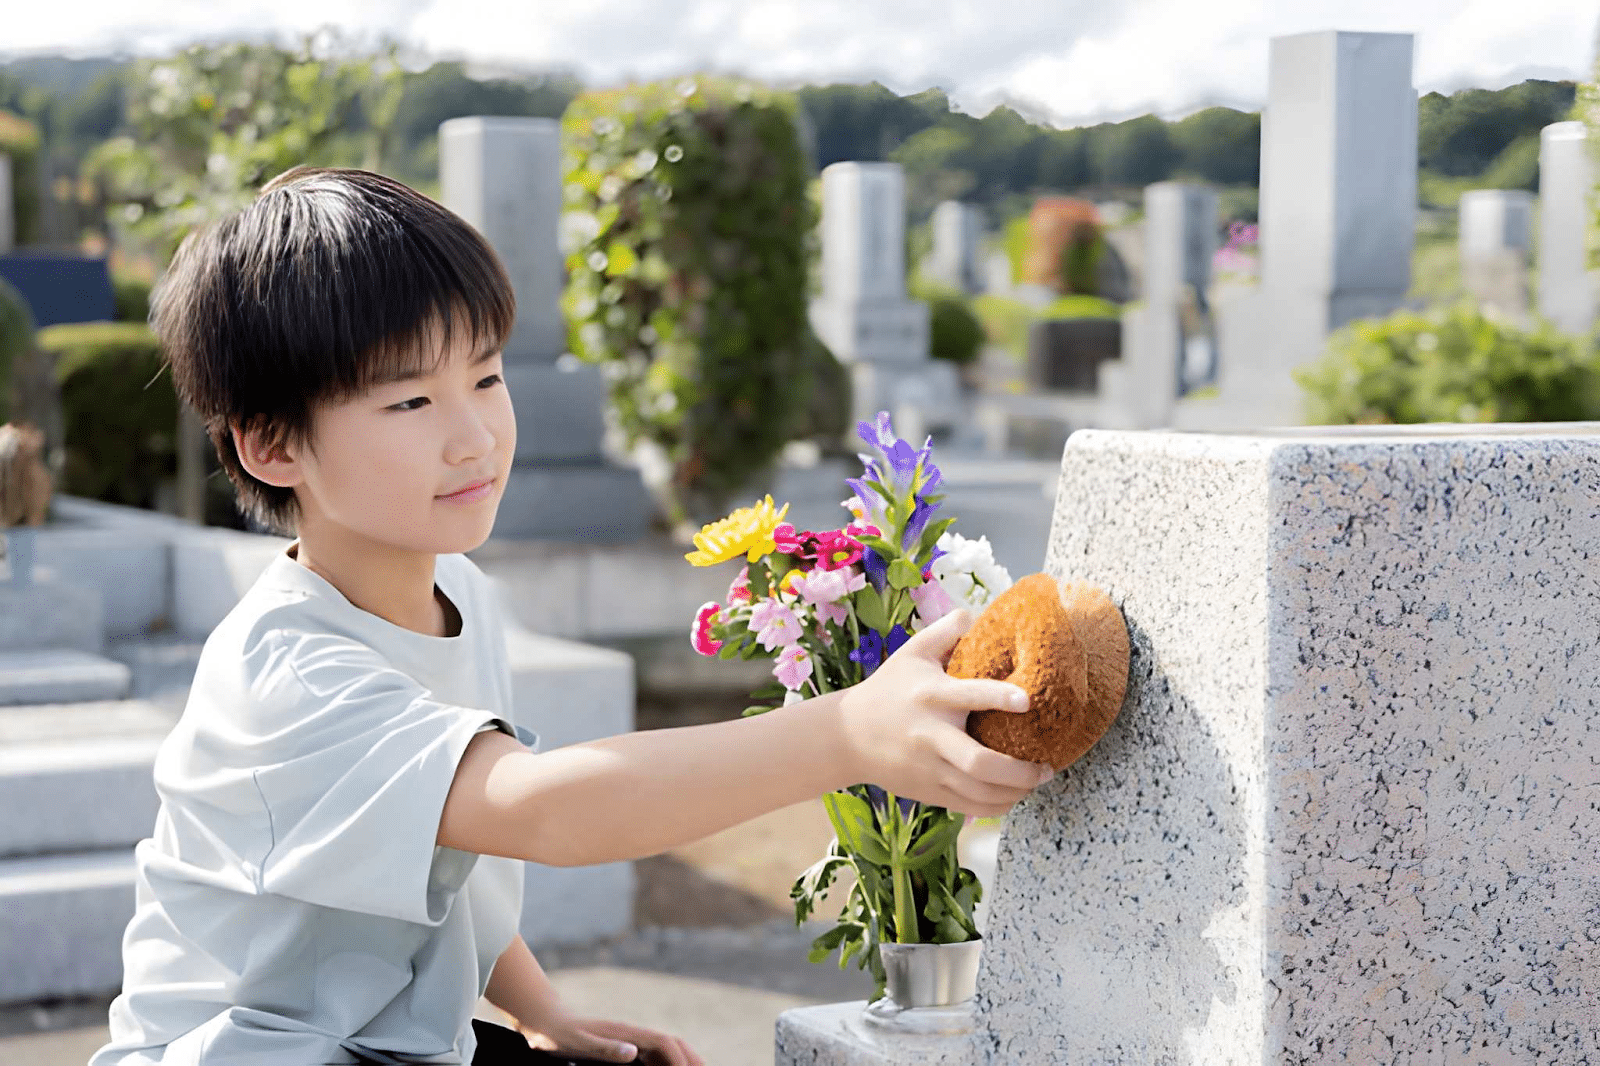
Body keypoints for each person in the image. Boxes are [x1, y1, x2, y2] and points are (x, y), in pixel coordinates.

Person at [88, 167, 1052, 1066]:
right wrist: (846, 732)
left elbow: (438, 852)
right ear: (271, 447)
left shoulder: (458, 596)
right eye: (412, 400)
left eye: (487, 378)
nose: (474, 437)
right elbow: (545, 811)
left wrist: (538, 1009)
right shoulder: (288, 675)